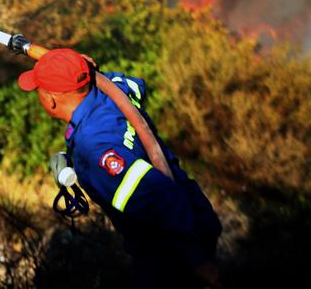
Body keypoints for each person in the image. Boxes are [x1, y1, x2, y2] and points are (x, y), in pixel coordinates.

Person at [18, 46, 223, 288]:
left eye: (38, 90)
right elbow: (136, 85)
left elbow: (160, 196)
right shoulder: (112, 90)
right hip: (194, 218)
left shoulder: (94, 147)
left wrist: (198, 264)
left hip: (170, 253)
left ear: (51, 99)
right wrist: (91, 72)